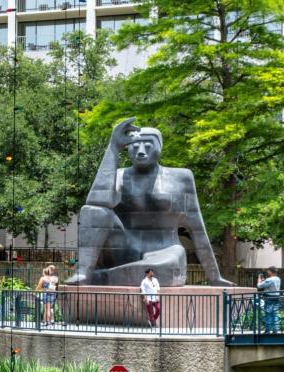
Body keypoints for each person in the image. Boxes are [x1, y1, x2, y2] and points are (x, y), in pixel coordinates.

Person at [69, 118, 231, 287]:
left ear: (159, 147)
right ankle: (84, 273)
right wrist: (113, 148)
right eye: (135, 145)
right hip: (125, 249)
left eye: (147, 145)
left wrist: (214, 277)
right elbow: (95, 203)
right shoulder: (118, 175)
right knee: (94, 210)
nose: (140, 151)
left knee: (159, 270)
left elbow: (197, 229)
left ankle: (107, 276)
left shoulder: (182, 177)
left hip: (165, 251)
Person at [256, 266, 282, 333]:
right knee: (275, 313)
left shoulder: (269, 280)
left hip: (269, 298)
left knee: (268, 314)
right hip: (276, 298)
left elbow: (259, 286)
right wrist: (264, 281)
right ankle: (275, 329)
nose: (267, 272)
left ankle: (267, 330)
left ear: (270, 271)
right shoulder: (278, 278)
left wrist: (259, 280)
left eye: (268, 271)